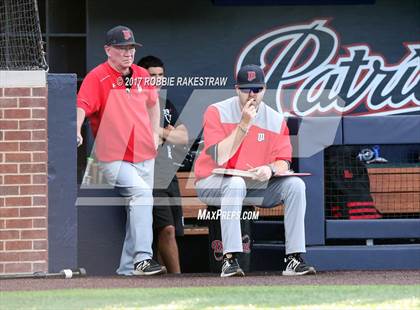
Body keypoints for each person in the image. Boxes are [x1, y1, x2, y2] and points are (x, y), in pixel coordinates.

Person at [194, 64, 316, 277]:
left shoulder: (275, 119)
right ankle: (229, 259)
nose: (252, 94)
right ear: (236, 89)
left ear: (264, 89)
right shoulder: (217, 111)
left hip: (254, 184)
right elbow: (220, 157)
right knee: (235, 183)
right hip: (212, 183)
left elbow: (284, 162)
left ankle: (293, 258)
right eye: (246, 89)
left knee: (296, 185)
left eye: (257, 89)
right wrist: (244, 124)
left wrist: (270, 169)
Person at [76, 25, 166, 276]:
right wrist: (76, 128)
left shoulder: (141, 74)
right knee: (140, 195)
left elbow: (153, 104)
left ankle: (128, 268)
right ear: (108, 50)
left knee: (140, 205)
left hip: (144, 154)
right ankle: (143, 258)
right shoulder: (98, 76)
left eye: (130, 48)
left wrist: (154, 133)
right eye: (121, 48)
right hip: (112, 156)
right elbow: (81, 106)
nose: (128, 53)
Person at [137, 55, 188, 273]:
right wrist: (167, 133)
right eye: (151, 76)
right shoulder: (134, 102)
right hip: (148, 174)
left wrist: (158, 131)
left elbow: (184, 137)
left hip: (169, 174)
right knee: (166, 228)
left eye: (160, 75)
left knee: (167, 231)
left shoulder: (166, 104)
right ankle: (178, 279)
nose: (156, 80)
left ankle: (162, 279)